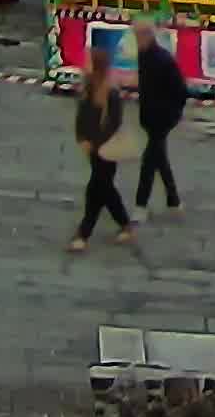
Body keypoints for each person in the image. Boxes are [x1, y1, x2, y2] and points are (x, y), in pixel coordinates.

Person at [70, 47, 140, 253]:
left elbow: (114, 123)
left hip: (107, 148)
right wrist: (82, 138)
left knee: (96, 190)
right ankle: (125, 225)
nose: (84, 65)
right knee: (106, 189)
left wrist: (98, 143)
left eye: (88, 62)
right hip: (92, 147)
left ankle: (83, 234)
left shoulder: (111, 93)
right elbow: (81, 117)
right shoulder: (88, 88)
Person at [131, 23, 190, 213]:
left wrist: (172, 115)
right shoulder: (145, 56)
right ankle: (173, 200)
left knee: (149, 161)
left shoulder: (163, 60)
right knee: (159, 158)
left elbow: (180, 91)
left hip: (162, 117)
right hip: (150, 116)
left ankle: (141, 205)